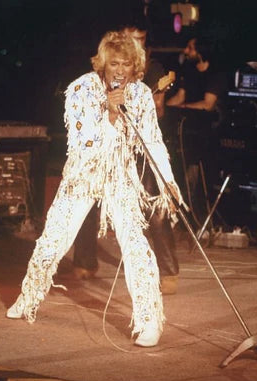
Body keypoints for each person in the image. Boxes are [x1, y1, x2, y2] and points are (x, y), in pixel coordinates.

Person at [6, 30, 182, 348]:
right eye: (114, 63)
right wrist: (110, 114)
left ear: (135, 67)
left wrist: (169, 183)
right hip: (83, 176)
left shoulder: (141, 95)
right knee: (52, 242)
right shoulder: (81, 90)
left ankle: (149, 320)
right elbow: (83, 144)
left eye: (126, 65)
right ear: (103, 63)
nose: (119, 71)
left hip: (120, 177)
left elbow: (153, 142)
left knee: (137, 247)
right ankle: (28, 297)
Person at [72, 21, 180, 295]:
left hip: (138, 149)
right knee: (90, 203)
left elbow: (157, 118)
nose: (135, 43)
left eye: (140, 39)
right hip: (104, 149)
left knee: (155, 207)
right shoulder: (95, 79)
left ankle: (168, 269)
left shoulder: (152, 70)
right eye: (131, 38)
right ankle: (84, 260)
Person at [166, 36, 228, 225]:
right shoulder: (189, 70)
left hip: (208, 134)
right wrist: (162, 108)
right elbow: (179, 97)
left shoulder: (216, 74)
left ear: (201, 52)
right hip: (187, 131)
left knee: (197, 175)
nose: (186, 51)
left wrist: (183, 107)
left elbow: (208, 104)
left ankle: (198, 216)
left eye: (190, 48)